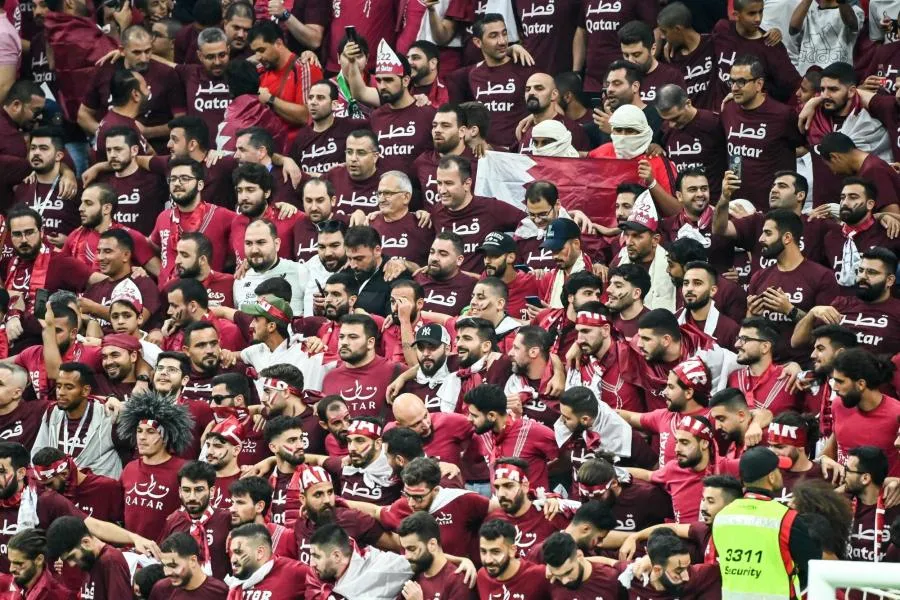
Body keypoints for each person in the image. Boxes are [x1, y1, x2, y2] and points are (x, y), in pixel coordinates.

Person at [713, 446, 822, 598]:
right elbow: (813, 564)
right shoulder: (786, 518)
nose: (781, 474)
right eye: (778, 470)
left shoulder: (721, 517)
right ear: (771, 477)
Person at [745, 210, 840, 363]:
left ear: (787, 238)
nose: (761, 239)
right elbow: (750, 329)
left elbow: (826, 332)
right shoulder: (759, 277)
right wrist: (752, 314)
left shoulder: (822, 276)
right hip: (767, 366)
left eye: (768, 233)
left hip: (804, 365)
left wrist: (790, 310)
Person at [720, 55, 805, 212]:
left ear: (759, 84)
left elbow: (806, 146)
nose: (734, 88)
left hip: (772, 210)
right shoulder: (728, 109)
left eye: (741, 82)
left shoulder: (783, 115)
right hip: (737, 206)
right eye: (732, 82)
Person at [342, 39, 436, 174]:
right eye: (379, 80)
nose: (382, 86)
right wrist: (352, 62)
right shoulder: (376, 116)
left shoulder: (428, 114)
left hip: (415, 191)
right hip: (382, 190)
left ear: (405, 80)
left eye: (389, 80)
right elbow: (359, 92)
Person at [793, 248, 900, 356]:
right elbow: (797, 342)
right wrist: (811, 314)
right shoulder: (841, 304)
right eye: (861, 270)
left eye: (871, 272)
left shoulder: (897, 311)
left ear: (889, 280)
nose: (863, 276)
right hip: (833, 371)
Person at [117, 390, 192, 540]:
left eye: (151, 432)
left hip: (166, 555)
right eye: (139, 431)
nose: (142, 438)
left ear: (166, 436)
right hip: (132, 554)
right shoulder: (129, 468)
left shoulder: (183, 469)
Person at [150, 157, 236, 286]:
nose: (177, 183)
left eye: (184, 178)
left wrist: (277, 207)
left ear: (200, 184)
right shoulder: (163, 217)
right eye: (173, 179)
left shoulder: (222, 215)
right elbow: (151, 246)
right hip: (167, 298)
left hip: (205, 297)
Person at [431, 155, 525, 273]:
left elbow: (528, 223)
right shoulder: (436, 212)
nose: (442, 190)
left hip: (484, 288)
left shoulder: (491, 208)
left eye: (449, 183)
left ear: (467, 183)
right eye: (439, 183)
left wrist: (516, 262)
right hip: (448, 287)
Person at [31, 362, 120, 478]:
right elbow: (38, 453)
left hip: (95, 488)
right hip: (59, 486)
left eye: (69, 387)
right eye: (58, 386)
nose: (61, 393)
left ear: (85, 391)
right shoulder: (52, 412)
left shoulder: (108, 413)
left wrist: (110, 398)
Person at [464, 384, 558, 491]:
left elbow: (563, 457)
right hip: (500, 505)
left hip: (533, 505)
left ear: (492, 416)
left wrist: (542, 472)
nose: (468, 419)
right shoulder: (481, 435)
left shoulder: (534, 432)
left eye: (474, 415)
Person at [825, 348, 900, 477]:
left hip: (882, 495)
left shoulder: (896, 414)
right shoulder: (838, 405)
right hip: (841, 493)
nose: (835, 388)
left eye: (840, 381)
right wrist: (823, 459)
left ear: (861, 384)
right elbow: (831, 451)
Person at [630, 415, 718, 523]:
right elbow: (648, 475)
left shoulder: (723, 467)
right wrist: (614, 470)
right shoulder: (673, 468)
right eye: (676, 442)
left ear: (704, 443)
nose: (677, 449)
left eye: (685, 442)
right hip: (678, 537)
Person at [62, 183, 160, 275]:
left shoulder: (130, 237)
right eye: (81, 203)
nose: (81, 208)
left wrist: (142, 276)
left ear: (107, 208)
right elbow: (60, 268)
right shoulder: (75, 236)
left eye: (88, 203)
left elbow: (161, 274)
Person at [468, 15, 534, 149]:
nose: (502, 41)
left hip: (519, 152)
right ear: (478, 42)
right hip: (487, 154)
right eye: (494, 36)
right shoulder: (474, 74)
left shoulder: (524, 67)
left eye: (504, 34)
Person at [247, 20, 320, 138]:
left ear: (279, 43)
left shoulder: (305, 67)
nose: (258, 57)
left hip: (296, 147)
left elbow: (307, 116)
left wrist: (270, 100)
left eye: (262, 50)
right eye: (255, 52)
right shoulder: (259, 71)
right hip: (265, 147)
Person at [321, 314, 403, 416]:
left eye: (353, 337)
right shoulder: (329, 379)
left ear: (370, 342)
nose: (344, 342)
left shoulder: (397, 372)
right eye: (341, 337)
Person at [657, 85, 726, 199]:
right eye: (667, 119)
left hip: (714, 201)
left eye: (676, 118)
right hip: (682, 203)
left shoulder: (714, 124)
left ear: (688, 103)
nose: (671, 125)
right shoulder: (666, 129)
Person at [289, 80, 368, 176]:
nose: (313, 102)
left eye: (320, 98)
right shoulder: (301, 137)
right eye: (310, 98)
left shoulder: (352, 127)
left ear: (334, 104)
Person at [728, 317, 803, 416]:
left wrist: (798, 371)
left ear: (765, 347)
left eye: (744, 339)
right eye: (738, 339)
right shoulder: (732, 377)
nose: (736, 344)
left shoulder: (789, 379)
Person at [46, 516, 133, 599]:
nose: (72, 564)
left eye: (72, 557)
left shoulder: (110, 561)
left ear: (86, 542)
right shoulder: (89, 561)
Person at [396, 511, 476, 600]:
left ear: (432, 544)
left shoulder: (457, 582)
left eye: (412, 549)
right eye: (405, 549)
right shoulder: (413, 575)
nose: (407, 556)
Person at [844, 446, 900, 563]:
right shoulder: (842, 504)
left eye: (847, 470)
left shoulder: (895, 504)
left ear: (865, 478)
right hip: (849, 579)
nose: (844, 474)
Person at [370, 170, 435, 269]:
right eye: (379, 194)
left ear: (406, 197)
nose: (381, 199)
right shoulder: (369, 224)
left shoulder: (424, 224)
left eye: (387, 193)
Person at [228, 523, 309, 599]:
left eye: (239, 552)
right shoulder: (236, 584)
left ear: (259, 552)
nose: (233, 560)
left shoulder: (294, 572)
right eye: (232, 553)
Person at [475, 519, 551, 599]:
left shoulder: (540, 575)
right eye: (483, 551)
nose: (488, 560)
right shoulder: (482, 576)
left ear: (512, 550)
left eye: (496, 552)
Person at [227, 477, 298, 559]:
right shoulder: (232, 539)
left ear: (259, 506)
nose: (232, 509)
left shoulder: (285, 536)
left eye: (240, 503)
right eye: (232, 502)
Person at [542, 531, 620, 597]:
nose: (564, 581)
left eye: (568, 572)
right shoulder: (548, 581)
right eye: (558, 576)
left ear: (579, 555)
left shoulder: (612, 579)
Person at [152, 532, 229, 598]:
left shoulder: (219, 592)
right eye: (164, 565)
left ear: (192, 560)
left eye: (173, 565)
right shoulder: (161, 589)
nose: (167, 573)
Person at [416, 233, 476, 317]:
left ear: (459, 260)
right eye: (432, 252)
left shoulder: (472, 287)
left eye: (443, 254)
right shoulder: (417, 279)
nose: (434, 258)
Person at [174, 232, 235, 308]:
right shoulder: (171, 287)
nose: (177, 261)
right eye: (177, 254)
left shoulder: (230, 283)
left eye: (184, 255)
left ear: (202, 260)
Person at [7, 528, 70, 600]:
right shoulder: (15, 587)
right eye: (10, 562)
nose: (11, 569)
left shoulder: (56, 596)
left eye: (19, 563)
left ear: (39, 560)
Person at [604, 264, 651, 340]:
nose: (608, 290)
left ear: (636, 293)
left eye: (618, 286)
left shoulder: (653, 325)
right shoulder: (606, 318)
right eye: (610, 284)